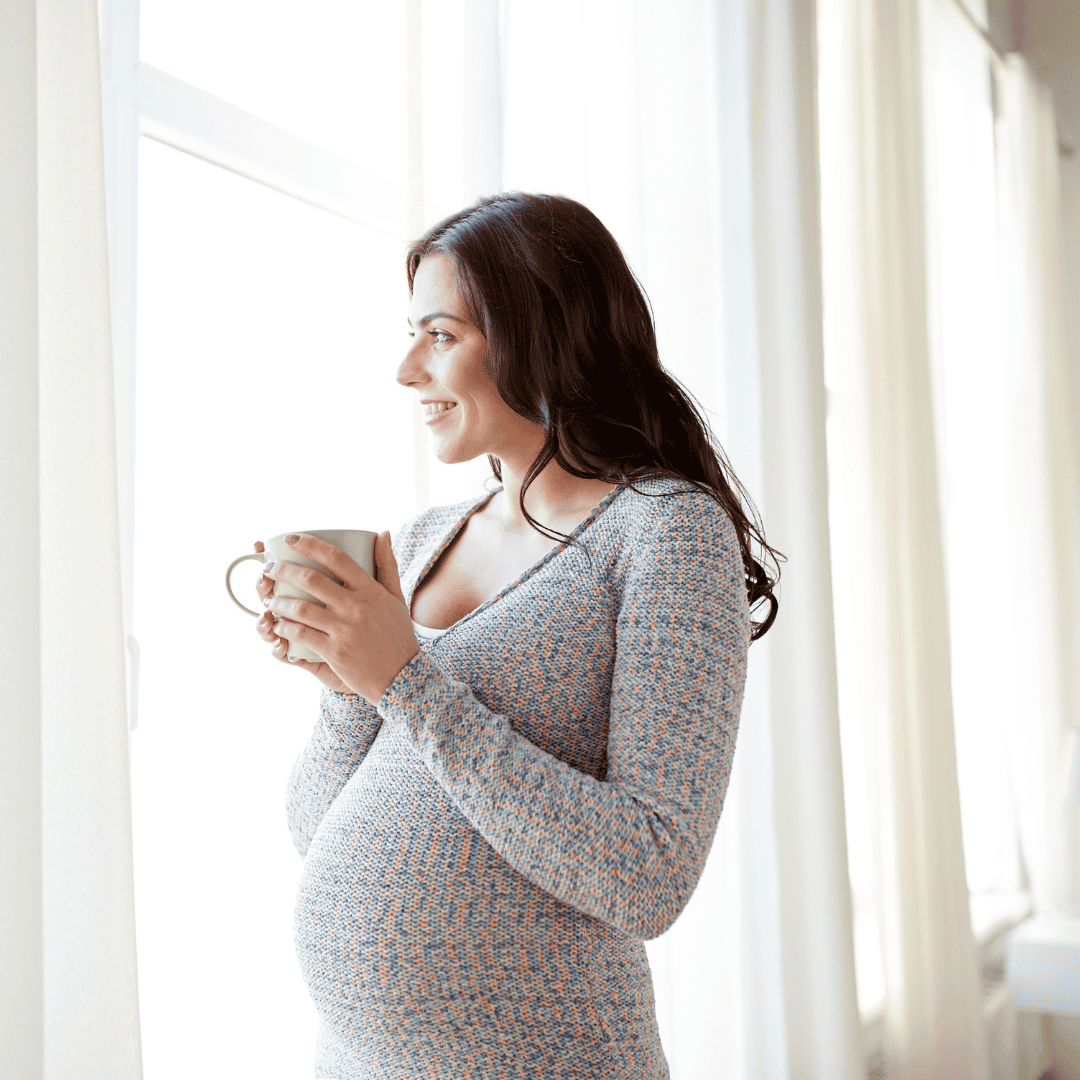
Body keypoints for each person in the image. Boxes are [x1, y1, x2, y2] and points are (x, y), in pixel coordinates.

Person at [251, 192, 780, 1079]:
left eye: (441, 335)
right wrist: (347, 690)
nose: (405, 369)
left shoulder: (664, 531)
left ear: (543, 331)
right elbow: (319, 835)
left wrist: (405, 682)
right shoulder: (422, 540)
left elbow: (647, 876)